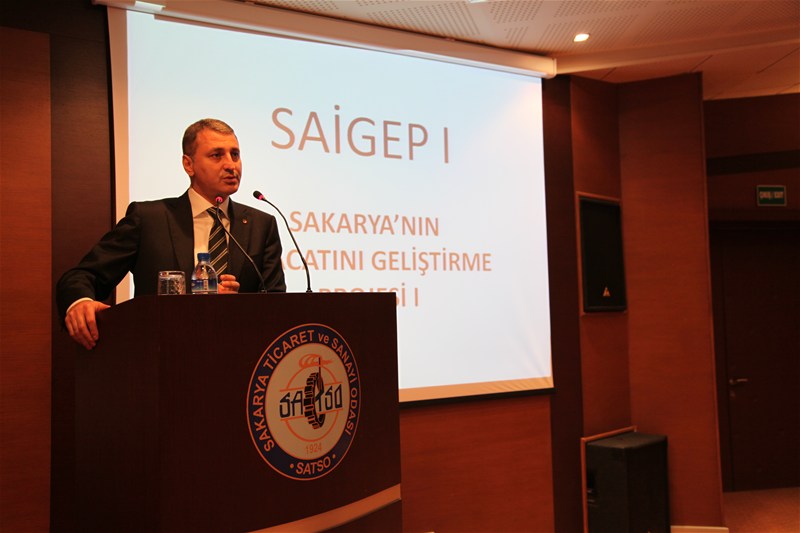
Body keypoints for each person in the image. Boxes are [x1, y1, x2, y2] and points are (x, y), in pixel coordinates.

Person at [57, 118, 286, 350]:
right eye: (217, 155)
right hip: (162, 354)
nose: (230, 165)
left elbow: (277, 306)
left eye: (235, 154)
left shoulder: (261, 225)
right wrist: (79, 302)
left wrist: (238, 305)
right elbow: (82, 276)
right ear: (189, 164)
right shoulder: (149, 219)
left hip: (237, 355)